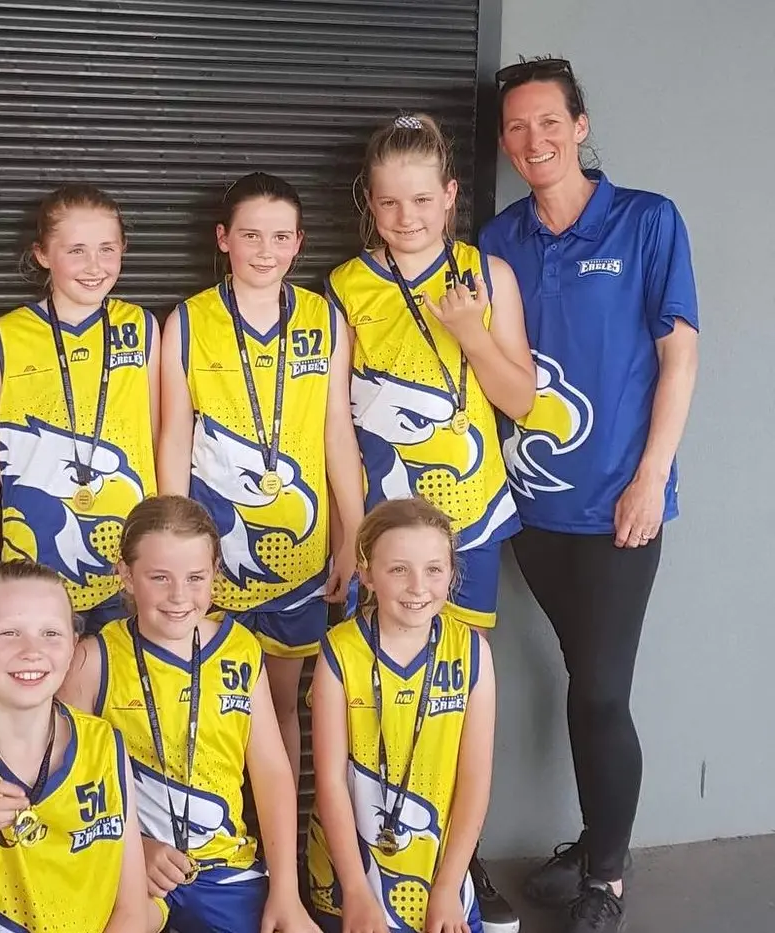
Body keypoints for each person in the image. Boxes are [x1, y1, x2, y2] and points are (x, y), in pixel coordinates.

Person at [479, 58, 700, 933]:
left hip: (620, 509)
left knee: (602, 690)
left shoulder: (647, 221)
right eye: (516, 127)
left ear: (578, 124)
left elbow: (679, 357)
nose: (532, 140)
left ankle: (606, 874)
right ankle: (598, 832)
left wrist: (651, 477)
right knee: (583, 681)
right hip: (531, 512)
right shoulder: (497, 243)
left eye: (547, 121)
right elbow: (501, 381)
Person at [326, 112, 535, 933]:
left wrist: (470, 333)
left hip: (471, 527)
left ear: (450, 196)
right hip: (387, 535)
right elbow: (335, 423)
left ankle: (459, 859)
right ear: (370, 207)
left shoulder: (488, 273)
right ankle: (358, 863)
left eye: (422, 199)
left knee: (458, 694)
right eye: (389, 203)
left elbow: (519, 399)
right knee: (376, 694)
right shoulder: (344, 286)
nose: (407, 216)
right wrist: (353, 530)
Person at [158, 172, 364, 780]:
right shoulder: (188, 322)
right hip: (213, 559)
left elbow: (337, 435)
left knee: (279, 708)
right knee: (203, 706)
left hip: (301, 557)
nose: (265, 251)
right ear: (223, 239)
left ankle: (280, 855)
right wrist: (173, 542)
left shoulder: (325, 321)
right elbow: (173, 433)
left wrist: (351, 534)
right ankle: (214, 842)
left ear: (300, 242)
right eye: (250, 235)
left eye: (280, 236)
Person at [61, 495, 319, 933]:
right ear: (125, 575)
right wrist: (134, 848)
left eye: (195, 577)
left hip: (224, 867)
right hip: (128, 869)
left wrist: (287, 892)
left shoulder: (240, 649)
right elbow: (62, 787)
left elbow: (272, 772)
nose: (179, 596)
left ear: (216, 574)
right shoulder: (93, 660)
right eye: (159, 577)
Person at [0, 560, 152, 933]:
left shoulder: (105, 744)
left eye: (51, 633)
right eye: (9, 633)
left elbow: (132, 910)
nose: (32, 650)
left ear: (72, 649)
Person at [0, 183, 159, 631]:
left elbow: (162, 440)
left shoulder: (142, 328)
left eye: (107, 249)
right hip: (35, 565)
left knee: (120, 692)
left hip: (127, 563)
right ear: (43, 254)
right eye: (76, 251)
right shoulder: (9, 335)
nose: (94, 266)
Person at [306, 497, 496, 933]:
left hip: (437, 873)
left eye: (433, 569)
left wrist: (448, 888)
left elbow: (475, 779)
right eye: (398, 569)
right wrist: (354, 890)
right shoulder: (340, 650)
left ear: (450, 574)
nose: (418, 586)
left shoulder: (471, 653)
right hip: (347, 875)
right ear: (367, 573)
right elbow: (331, 781)